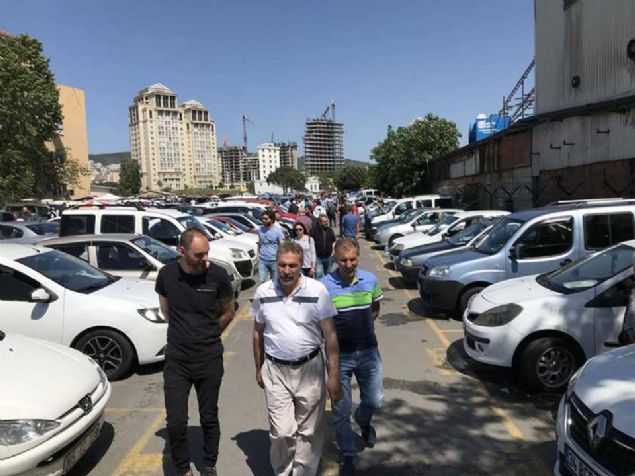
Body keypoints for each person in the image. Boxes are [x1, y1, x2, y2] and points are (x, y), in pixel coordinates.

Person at [251, 240, 343, 476]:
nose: (287, 270)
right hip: (275, 370)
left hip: (310, 368)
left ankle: (303, 472)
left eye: (292, 265)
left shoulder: (317, 291)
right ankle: (283, 471)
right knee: (282, 431)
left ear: (301, 265)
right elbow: (257, 332)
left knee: (309, 431)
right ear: (276, 264)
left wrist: (334, 375)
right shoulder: (263, 292)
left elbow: (330, 335)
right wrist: (258, 367)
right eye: (282, 265)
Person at [155, 228, 235, 476]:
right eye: (199, 255)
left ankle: (209, 463)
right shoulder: (166, 275)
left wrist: (209, 333)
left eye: (207, 252)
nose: (205, 259)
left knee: (208, 416)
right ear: (181, 251)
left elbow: (228, 311)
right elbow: (166, 311)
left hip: (209, 358)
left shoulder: (217, 275)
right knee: (176, 421)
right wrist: (184, 334)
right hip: (177, 361)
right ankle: (182, 469)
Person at [321, 238, 384, 476]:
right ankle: (348, 455)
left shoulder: (370, 280)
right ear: (336, 260)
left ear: (358, 257)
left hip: (368, 351)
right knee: (340, 409)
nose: (348, 264)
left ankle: (363, 420)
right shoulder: (324, 286)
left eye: (352, 259)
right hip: (339, 357)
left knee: (375, 400)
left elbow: (375, 309)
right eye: (343, 260)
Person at [258, 210, 286, 282]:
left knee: (275, 281)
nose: (263, 220)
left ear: (272, 219)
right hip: (262, 260)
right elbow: (260, 242)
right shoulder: (260, 229)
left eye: (266, 219)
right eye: (262, 219)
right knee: (262, 281)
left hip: (274, 260)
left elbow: (282, 246)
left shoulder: (278, 231)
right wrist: (259, 254)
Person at [311, 214, 336, 279]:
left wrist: (333, 252)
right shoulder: (314, 231)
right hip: (318, 257)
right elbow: (310, 243)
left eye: (327, 221)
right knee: (319, 274)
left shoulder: (330, 230)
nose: (326, 223)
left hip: (328, 256)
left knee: (329, 274)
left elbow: (333, 241)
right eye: (324, 222)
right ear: (319, 222)